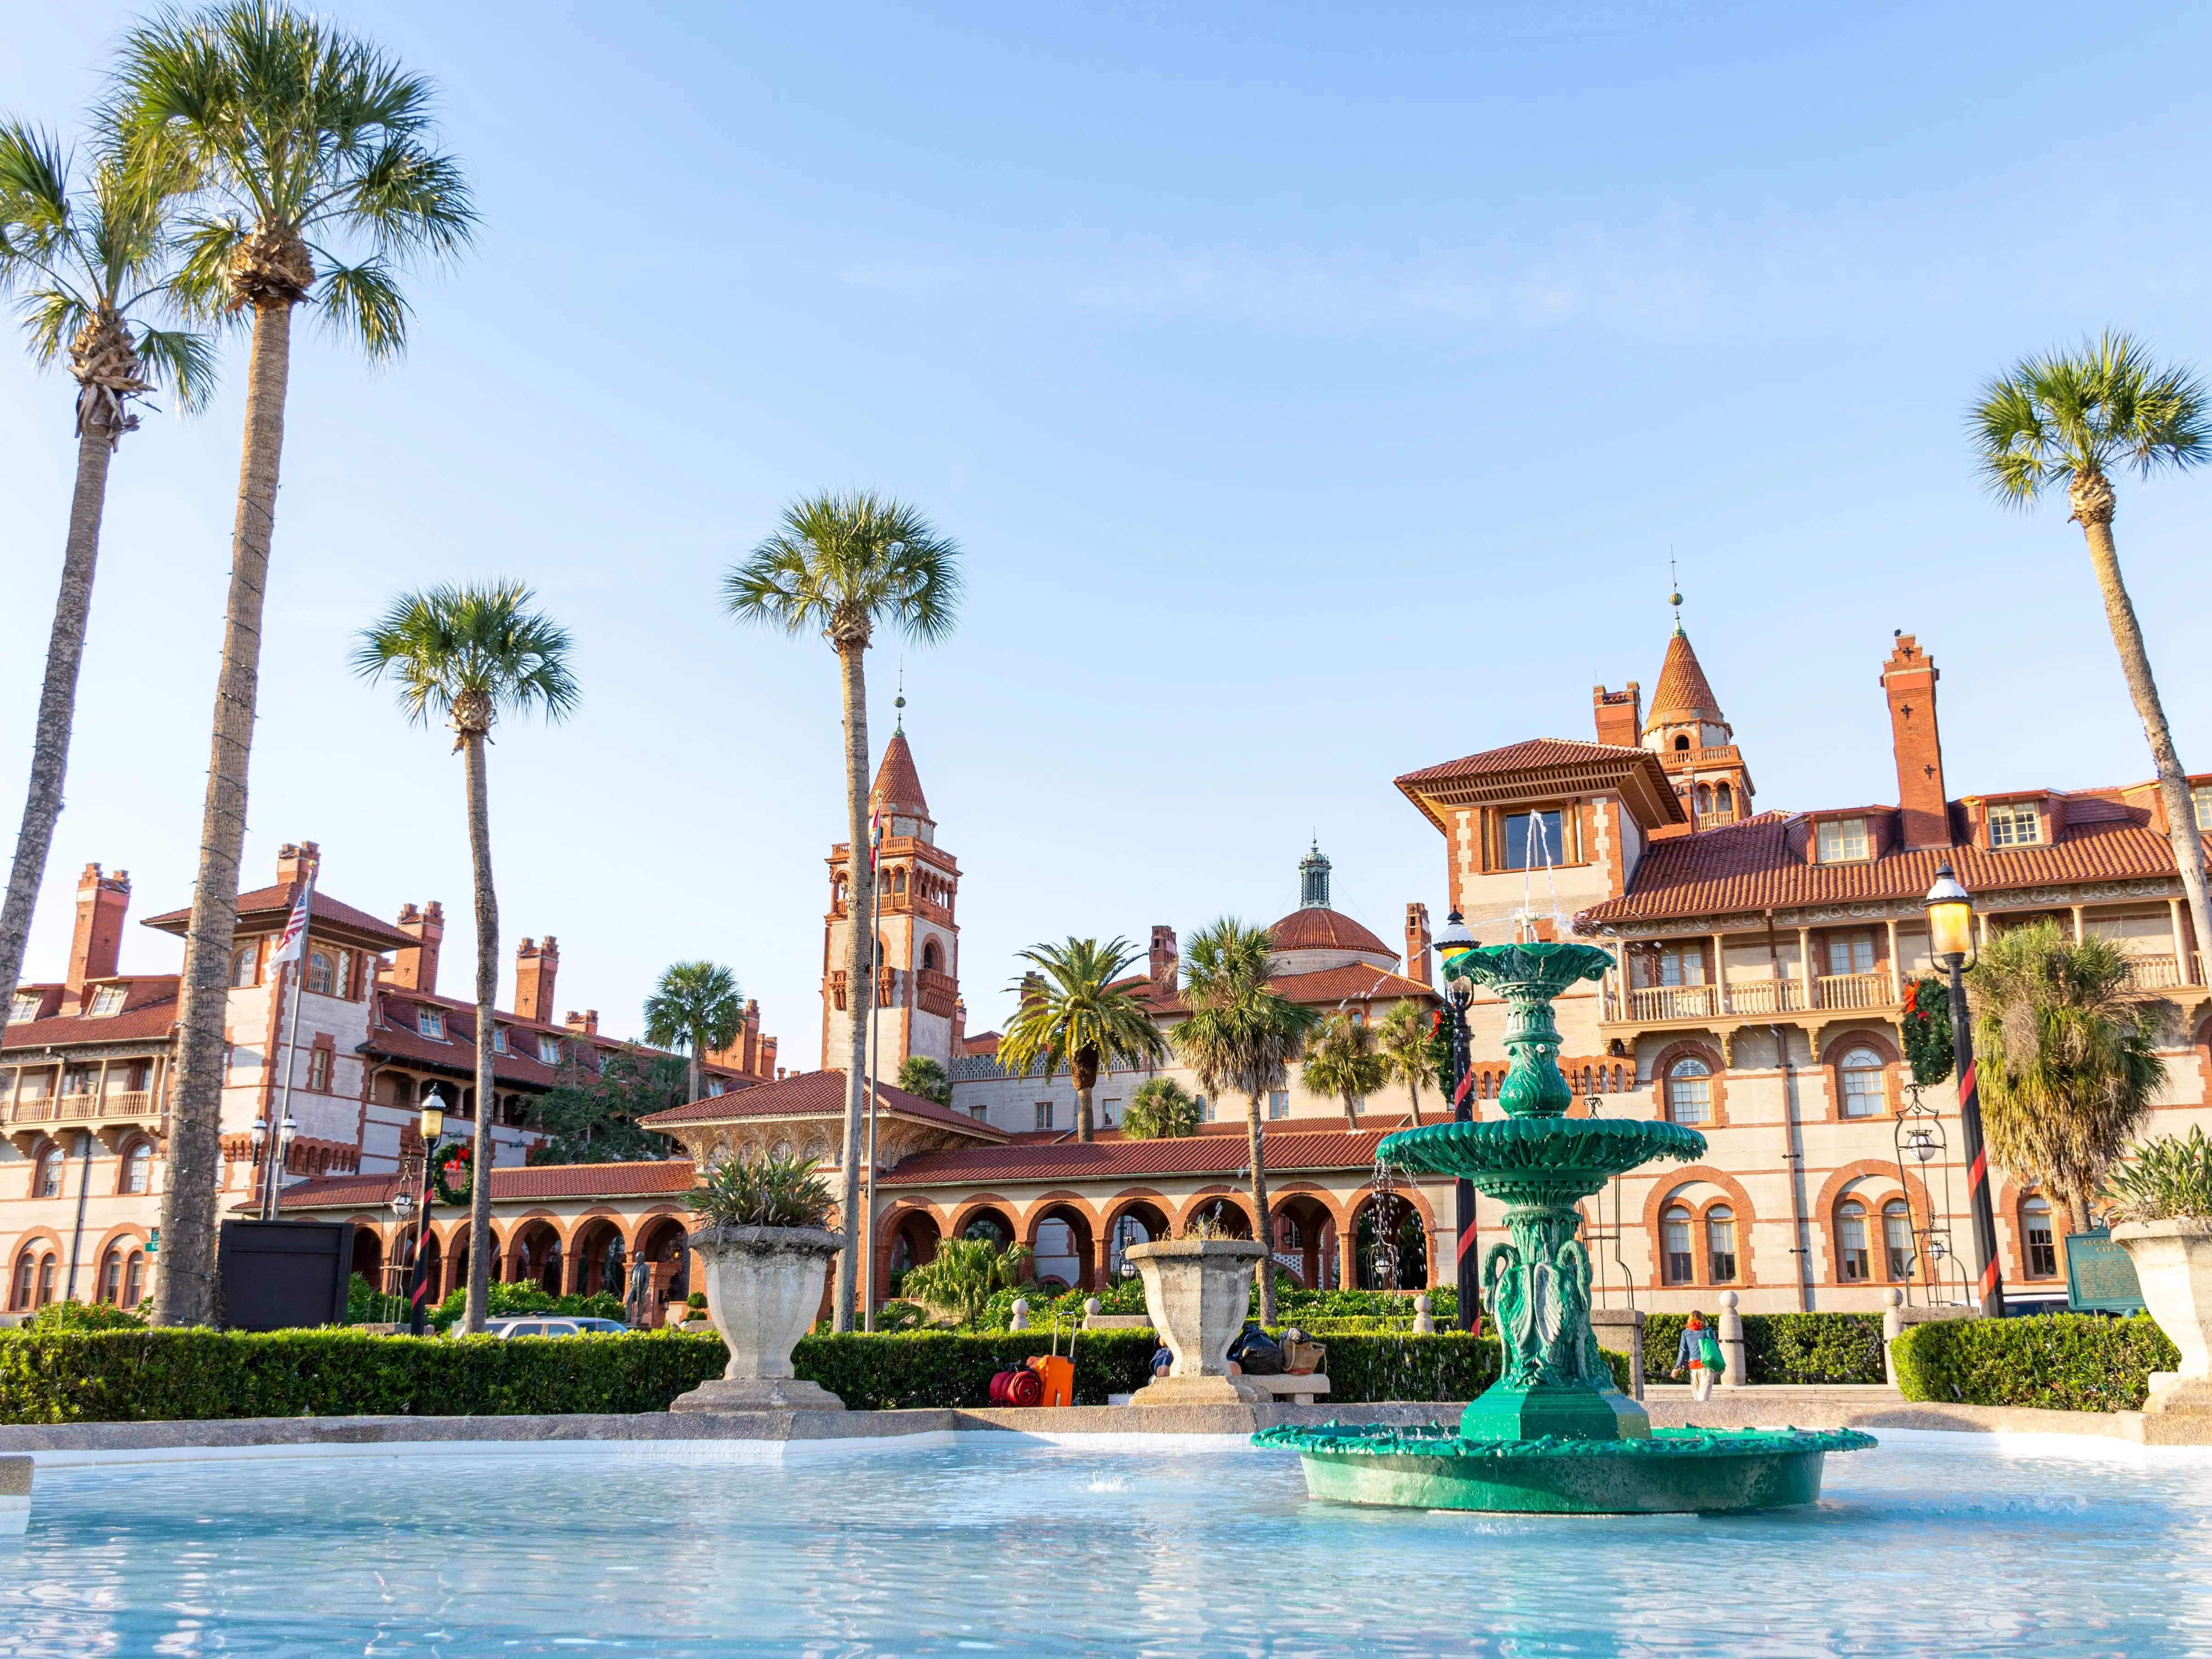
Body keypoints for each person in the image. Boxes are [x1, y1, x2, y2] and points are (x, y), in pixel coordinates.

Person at [1672, 1310, 1720, 1402]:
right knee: (1703, 1399)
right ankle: (1704, 1416)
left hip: (1693, 1368)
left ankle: (1699, 1415)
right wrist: (1719, 1367)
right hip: (1707, 1366)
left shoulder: (1686, 1333)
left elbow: (1683, 1351)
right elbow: (1716, 1349)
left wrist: (1677, 1367)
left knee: (1698, 1398)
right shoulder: (1708, 1331)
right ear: (1702, 1319)